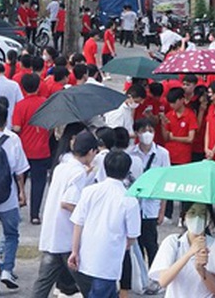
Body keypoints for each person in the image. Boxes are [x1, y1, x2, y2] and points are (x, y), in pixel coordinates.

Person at [32, 130, 99, 298]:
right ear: (91, 151)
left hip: (53, 233)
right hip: (67, 236)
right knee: (85, 280)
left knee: (44, 280)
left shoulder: (62, 167)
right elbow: (68, 202)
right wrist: (86, 215)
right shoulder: (78, 173)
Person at [69, 151, 141, 298]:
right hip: (110, 260)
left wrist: (74, 251)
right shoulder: (129, 200)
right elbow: (132, 236)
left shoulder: (89, 191)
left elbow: (78, 223)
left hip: (86, 255)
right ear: (127, 171)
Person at [0, 102, 30, 289]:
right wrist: (21, 192)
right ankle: (7, 270)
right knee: (11, 234)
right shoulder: (13, 139)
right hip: (7, 197)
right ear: (6, 120)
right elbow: (20, 171)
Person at [128, 118, 170, 267]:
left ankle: (154, 272)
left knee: (151, 243)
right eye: (143, 131)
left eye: (150, 131)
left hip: (152, 205)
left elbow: (165, 182)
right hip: (135, 205)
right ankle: (140, 274)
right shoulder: (131, 153)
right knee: (136, 243)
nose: (147, 134)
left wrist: (162, 211)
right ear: (137, 133)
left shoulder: (162, 154)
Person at [149, 203, 213, 298]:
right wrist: (189, 253)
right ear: (184, 216)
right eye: (192, 213)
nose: (197, 218)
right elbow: (163, 281)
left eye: (203, 213)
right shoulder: (173, 242)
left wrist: (201, 270)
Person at [12, 73, 52, 225]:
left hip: (24, 150)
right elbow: (51, 126)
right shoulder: (45, 103)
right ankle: (35, 214)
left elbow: (17, 127)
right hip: (42, 149)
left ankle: (17, 207)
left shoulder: (20, 105)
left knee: (18, 180)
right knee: (39, 183)